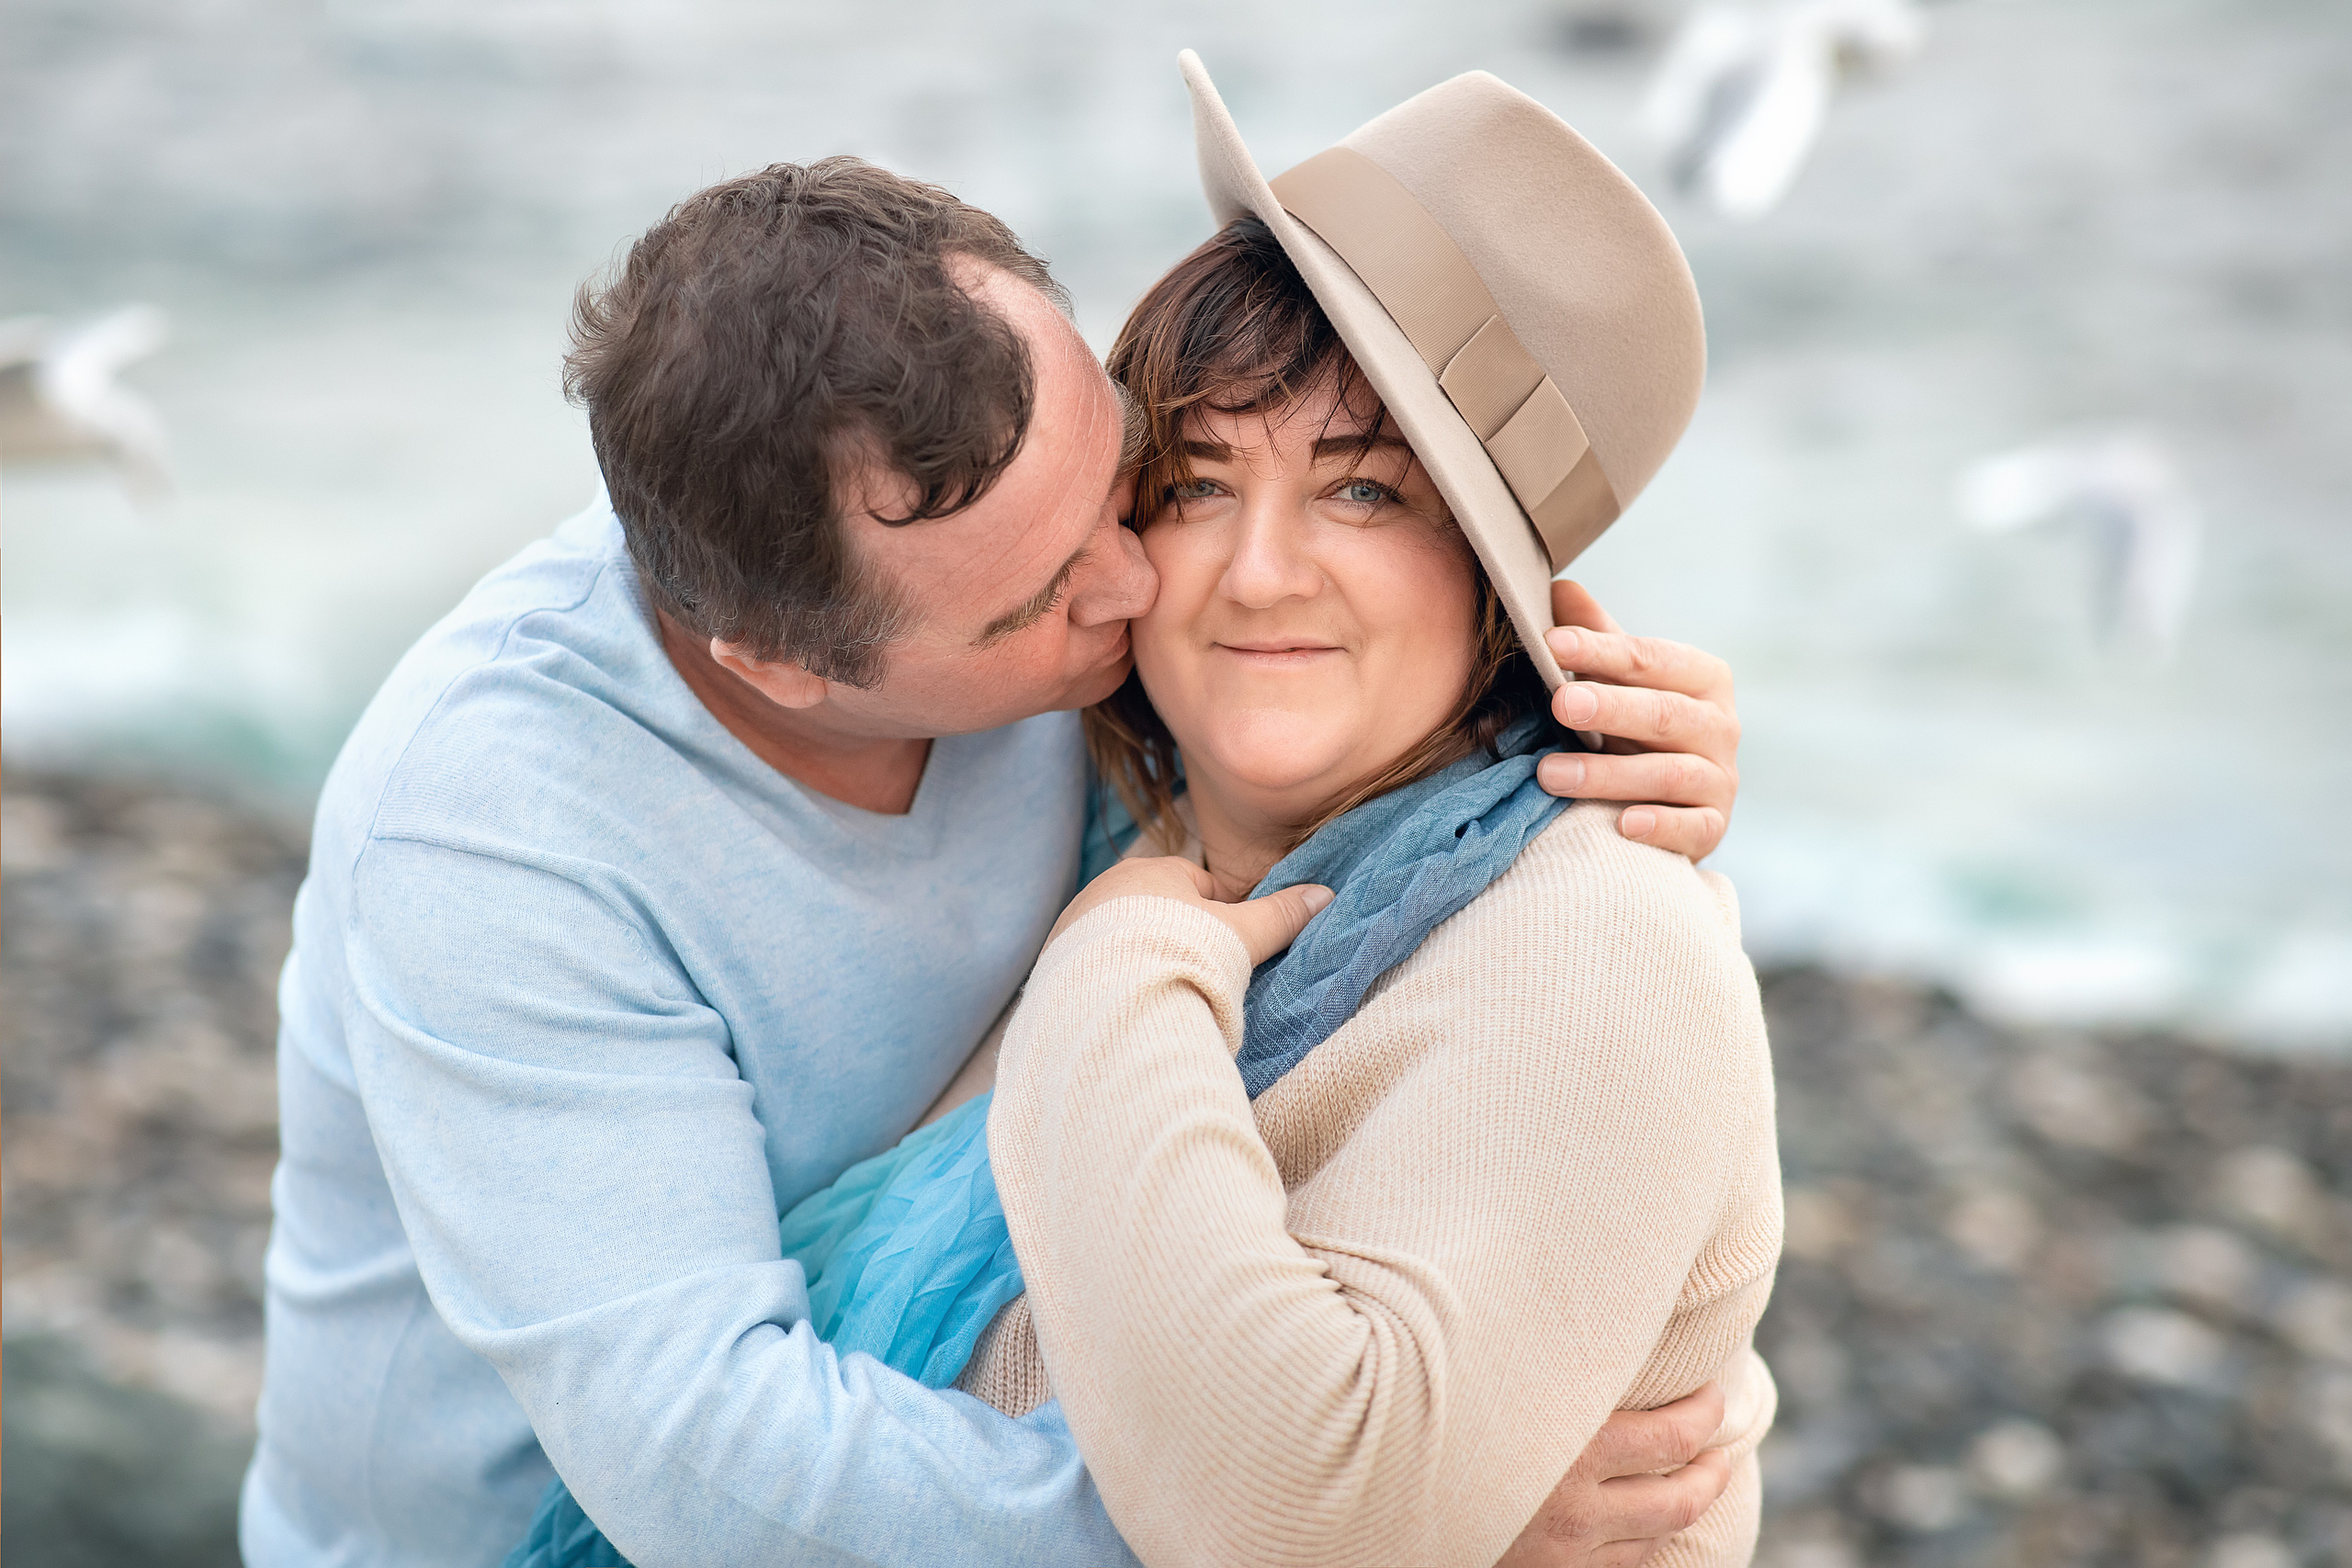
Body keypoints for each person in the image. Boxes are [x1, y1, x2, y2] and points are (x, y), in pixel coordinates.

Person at [243, 73, 1750, 1568]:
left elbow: (1387, 666)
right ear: (782, 664)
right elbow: (711, 1466)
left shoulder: (1037, 573)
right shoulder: (490, 840)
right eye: (1047, 595)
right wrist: (1417, 1519)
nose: (1146, 583)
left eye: (1123, 480)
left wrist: (1626, 742)